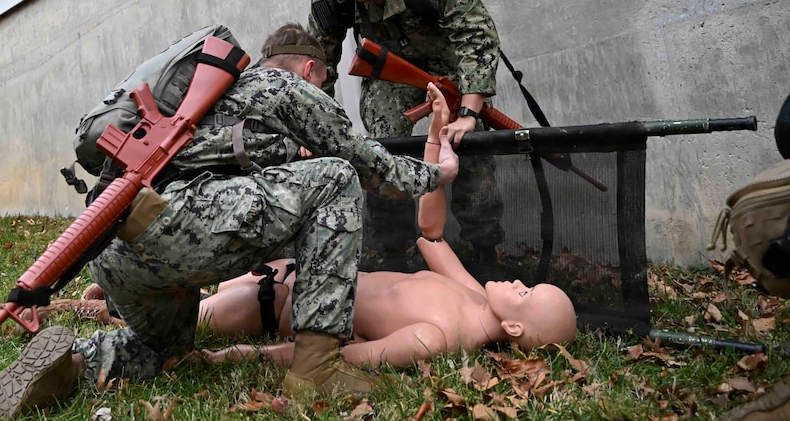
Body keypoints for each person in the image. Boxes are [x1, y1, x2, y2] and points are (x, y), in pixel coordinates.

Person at [0, 23, 458, 421]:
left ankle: (75, 363)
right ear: (311, 70)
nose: (324, 92)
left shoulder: (207, 107)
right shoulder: (286, 89)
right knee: (337, 178)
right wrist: (438, 173)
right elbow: (370, 164)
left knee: (162, 350)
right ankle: (316, 369)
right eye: (325, 83)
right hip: (178, 228)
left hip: (114, 251)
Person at [72, 86, 577, 367]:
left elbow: (345, 357)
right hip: (297, 266)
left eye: (527, 293)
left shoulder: (442, 336)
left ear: (513, 327)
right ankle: (107, 299)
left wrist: (231, 359)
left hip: (282, 306)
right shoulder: (469, 295)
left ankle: (92, 323)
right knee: (198, 282)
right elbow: (432, 237)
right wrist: (433, 143)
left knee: (196, 320)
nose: (517, 280)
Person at [307, 0, 506, 270]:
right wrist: (312, 129)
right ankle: (393, 254)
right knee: (380, 151)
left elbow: (477, 37)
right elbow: (316, 67)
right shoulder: (334, 1)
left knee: (466, 147)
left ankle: (483, 249)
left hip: (450, 70)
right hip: (391, 75)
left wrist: (470, 114)